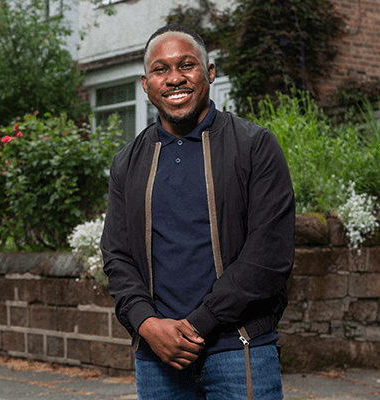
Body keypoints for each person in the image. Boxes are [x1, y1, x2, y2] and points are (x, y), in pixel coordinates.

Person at [101, 25, 295, 399]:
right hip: (158, 360)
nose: (175, 78)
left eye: (186, 65)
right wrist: (148, 325)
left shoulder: (255, 146)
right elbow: (117, 256)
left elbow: (268, 257)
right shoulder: (127, 163)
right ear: (146, 84)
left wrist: (194, 326)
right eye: (161, 70)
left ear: (210, 72)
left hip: (240, 351)